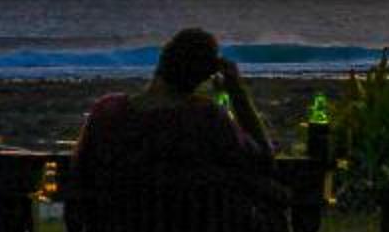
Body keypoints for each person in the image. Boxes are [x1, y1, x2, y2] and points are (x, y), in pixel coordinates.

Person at [71, 27, 273, 178]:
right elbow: (264, 159)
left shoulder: (106, 111)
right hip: (185, 223)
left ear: (161, 61)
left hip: (116, 222)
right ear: (206, 74)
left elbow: (80, 173)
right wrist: (237, 90)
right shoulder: (207, 119)